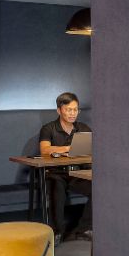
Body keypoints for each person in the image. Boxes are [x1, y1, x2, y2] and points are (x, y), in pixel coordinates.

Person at [39, 92, 92, 243]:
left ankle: (84, 229)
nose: (72, 113)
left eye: (75, 110)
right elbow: (45, 150)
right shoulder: (48, 128)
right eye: (69, 109)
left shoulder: (83, 128)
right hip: (55, 173)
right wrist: (69, 148)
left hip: (77, 172)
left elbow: (92, 147)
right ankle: (56, 233)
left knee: (98, 187)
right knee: (56, 188)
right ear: (59, 110)